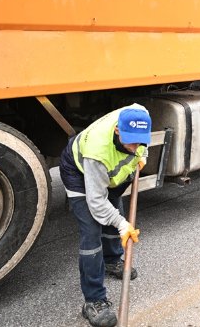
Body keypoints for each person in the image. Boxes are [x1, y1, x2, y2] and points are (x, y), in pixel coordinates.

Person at [59, 104, 150, 327]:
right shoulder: (97, 153)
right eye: (131, 141)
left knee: (115, 208)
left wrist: (142, 154)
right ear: (118, 130)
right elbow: (97, 202)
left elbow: (139, 142)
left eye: (140, 141)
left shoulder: (140, 116)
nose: (135, 147)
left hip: (108, 173)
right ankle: (93, 300)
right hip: (79, 172)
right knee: (92, 231)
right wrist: (122, 224)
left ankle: (111, 261)